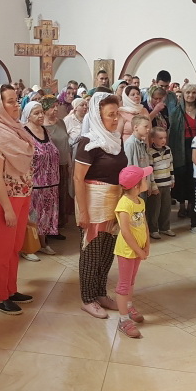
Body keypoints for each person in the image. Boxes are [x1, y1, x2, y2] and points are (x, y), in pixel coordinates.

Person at [0, 84, 35, 315]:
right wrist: (7, 209)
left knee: (14, 248)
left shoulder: (15, 128)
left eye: (16, 100)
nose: (16, 105)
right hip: (0, 199)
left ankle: (10, 289)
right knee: (1, 250)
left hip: (20, 194)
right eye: (10, 101)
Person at [73, 93, 127, 319]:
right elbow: (78, 178)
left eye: (117, 114)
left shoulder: (115, 139)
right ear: (97, 116)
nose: (115, 119)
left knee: (107, 251)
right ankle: (88, 299)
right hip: (94, 202)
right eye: (110, 115)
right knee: (91, 252)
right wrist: (82, 211)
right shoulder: (88, 142)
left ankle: (100, 293)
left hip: (114, 200)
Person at [113, 165, 151, 339]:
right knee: (124, 284)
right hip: (127, 251)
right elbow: (126, 231)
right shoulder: (124, 203)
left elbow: (144, 224)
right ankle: (123, 320)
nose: (147, 180)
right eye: (144, 179)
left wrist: (147, 245)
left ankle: (128, 306)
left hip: (138, 249)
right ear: (137, 186)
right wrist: (138, 250)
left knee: (131, 281)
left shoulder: (140, 201)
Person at [21, 102, 59, 260]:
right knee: (32, 216)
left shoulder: (45, 130)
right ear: (28, 115)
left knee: (46, 215)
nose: (41, 115)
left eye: (41, 112)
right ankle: (28, 247)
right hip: (34, 183)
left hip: (51, 182)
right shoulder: (24, 132)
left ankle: (43, 243)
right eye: (36, 113)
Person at [170, 83, 196, 218]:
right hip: (181, 147)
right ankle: (181, 205)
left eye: (193, 93)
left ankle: (192, 205)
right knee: (181, 175)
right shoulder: (176, 112)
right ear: (183, 95)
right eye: (188, 93)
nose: (190, 95)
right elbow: (173, 133)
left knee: (194, 175)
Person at [42, 95, 72, 236]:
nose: (55, 109)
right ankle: (49, 226)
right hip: (50, 167)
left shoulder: (61, 122)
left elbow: (66, 143)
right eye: (52, 107)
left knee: (62, 194)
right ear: (45, 109)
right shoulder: (42, 126)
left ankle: (59, 224)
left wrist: (69, 163)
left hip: (63, 164)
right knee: (52, 197)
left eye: (56, 106)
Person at [146, 127, 175, 240]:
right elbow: (150, 171)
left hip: (167, 183)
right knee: (155, 208)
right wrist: (153, 186)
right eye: (160, 138)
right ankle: (153, 229)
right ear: (153, 139)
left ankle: (165, 227)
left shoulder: (168, 149)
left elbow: (171, 165)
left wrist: (172, 179)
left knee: (166, 207)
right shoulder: (150, 152)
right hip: (156, 185)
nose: (163, 140)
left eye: (165, 138)